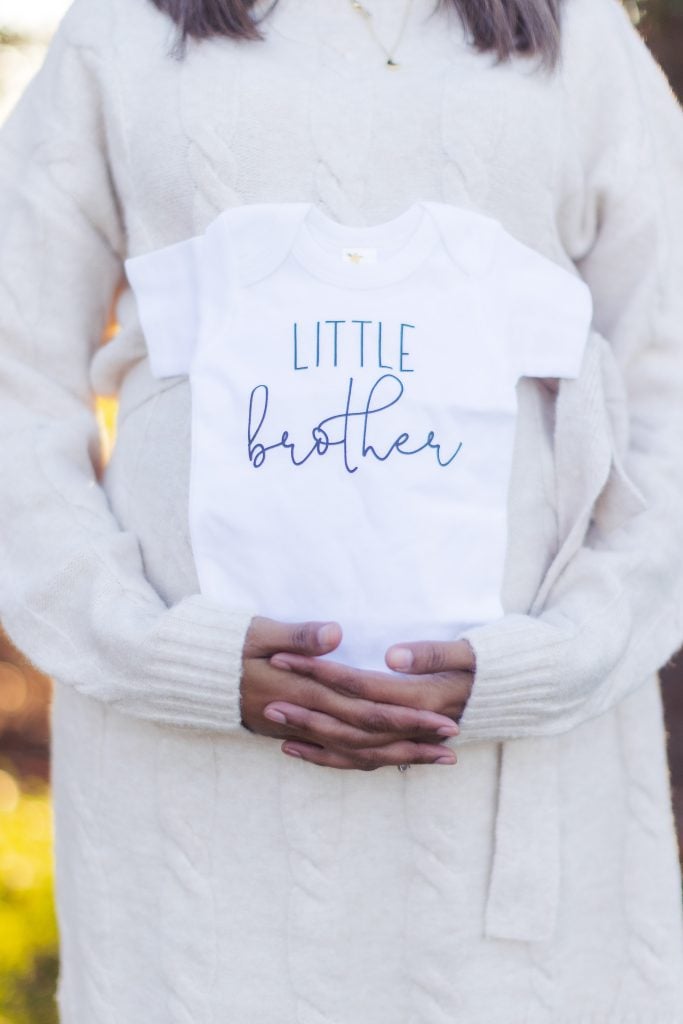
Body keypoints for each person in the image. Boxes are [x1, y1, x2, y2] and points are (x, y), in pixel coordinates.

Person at [0, 0, 682, 1018]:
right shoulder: (121, 33)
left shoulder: (575, 37)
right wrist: (156, 649)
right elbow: (16, 374)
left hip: (519, 803)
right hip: (196, 819)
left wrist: (561, 655)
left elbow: (665, 382)